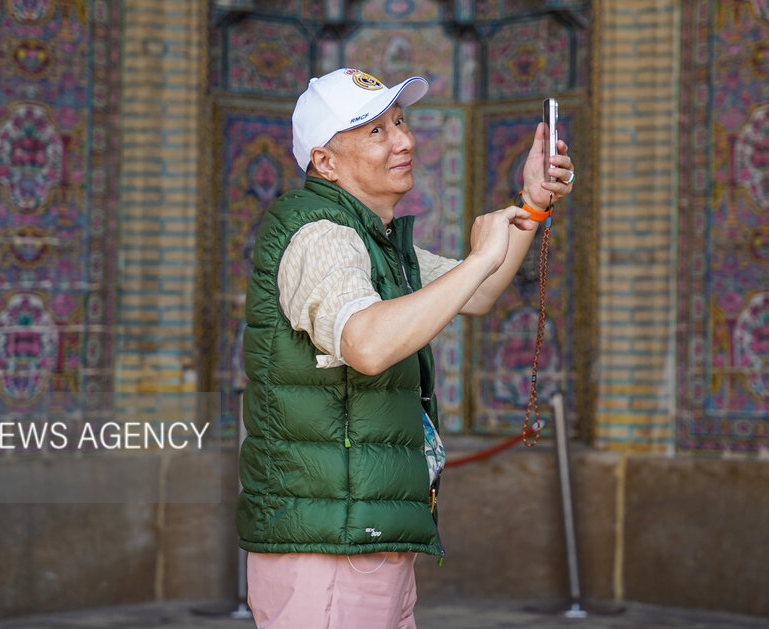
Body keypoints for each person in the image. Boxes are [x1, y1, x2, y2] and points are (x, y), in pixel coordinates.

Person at [237, 67, 576, 628]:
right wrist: (480, 259)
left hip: (359, 535)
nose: (404, 140)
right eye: (375, 132)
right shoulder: (319, 233)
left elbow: (478, 290)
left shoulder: (376, 241)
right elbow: (366, 344)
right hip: (329, 548)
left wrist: (532, 204)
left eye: (400, 121)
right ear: (325, 161)